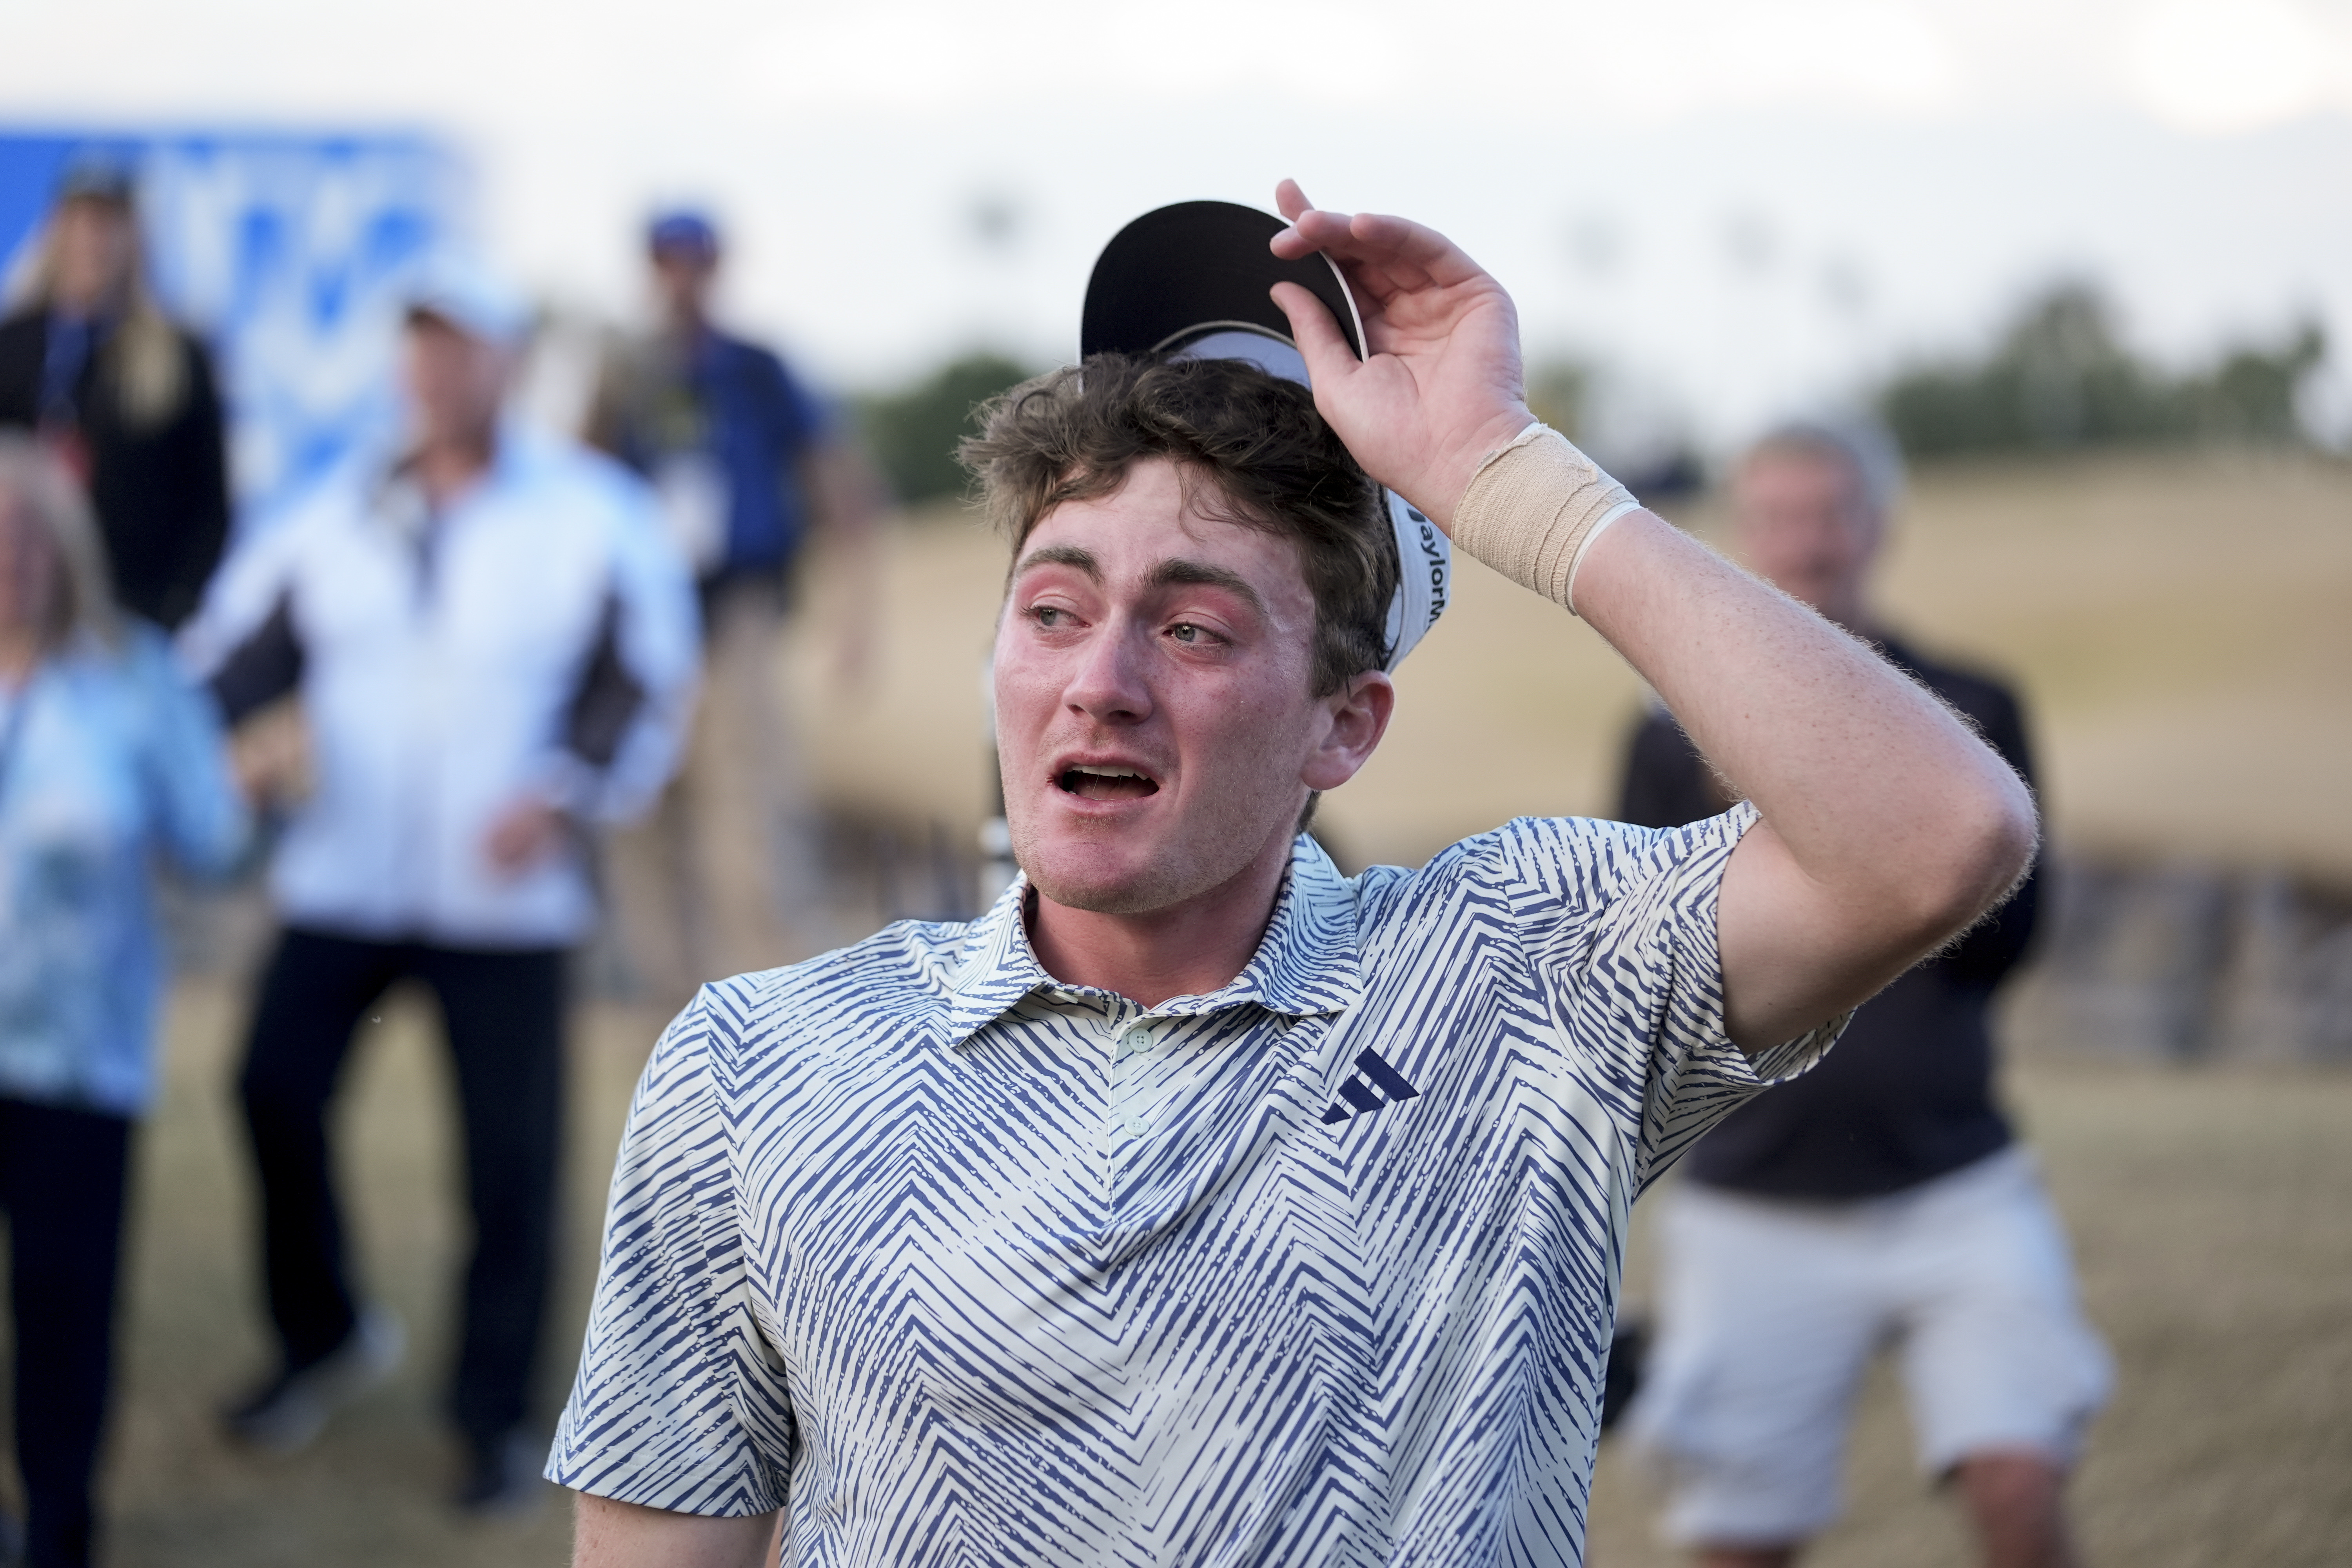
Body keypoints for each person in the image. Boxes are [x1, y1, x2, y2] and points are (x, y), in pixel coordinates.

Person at [548, 183, 2040, 1568]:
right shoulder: (753, 1066)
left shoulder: (1519, 982)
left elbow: (1935, 832)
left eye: (1194, 629)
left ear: (1345, 723)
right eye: (1055, 608)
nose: (1102, 682)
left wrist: (1502, 475)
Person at [178, 258, 701, 1512]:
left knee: (506, 1167)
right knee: (267, 1089)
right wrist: (237, 749)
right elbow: (229, 657)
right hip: (339, 878)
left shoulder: (588, 511)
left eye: (459, 347)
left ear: (506, 366)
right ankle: (323, 1331)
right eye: (416, 347)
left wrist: (567, 787)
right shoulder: (337, 509)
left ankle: (492, 1419)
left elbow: (650, 672)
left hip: (503, 902)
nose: (433, 370)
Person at [1619, 421, 2109, 1568]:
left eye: (1829, 510)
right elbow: (1644, 957)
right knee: (1742, 1539)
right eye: (1779, 514)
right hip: (1752, 1196)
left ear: (1876, 525)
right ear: (1743, 533)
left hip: (1956, 1174)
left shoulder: (1973, 701)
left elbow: (2012, 926)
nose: (1805, 540)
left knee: (2018, 1480)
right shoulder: (1663, 733)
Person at [0, 436, 248, 1567]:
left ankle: (60, 1533)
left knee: (62, 1312)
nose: (8, 561)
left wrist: (256, 785)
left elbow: (213, 841)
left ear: (65, 551)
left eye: (27, 538)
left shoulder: (134, 679)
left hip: (76, 1057)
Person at [586, 209, 880, 1002]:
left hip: (739, 614)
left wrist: (855, 620)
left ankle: (784, 1027)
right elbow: (580, 488)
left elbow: (838, 486)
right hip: (644, 625)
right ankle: (676, 1043)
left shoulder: (755, 369)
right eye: (668, 262)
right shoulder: (624, 372)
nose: (682, 278)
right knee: (642, 826)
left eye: (696, 261)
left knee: (752, 832)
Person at [0, 154, 232, 630]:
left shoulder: (176, 359)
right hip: (22, 620)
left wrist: (171, 608)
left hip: (129, 617)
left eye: (109, 225)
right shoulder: (14, 348)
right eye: (83, 223)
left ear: (134, 237)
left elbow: (210, 504)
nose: (94, 242)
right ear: (57, 231)